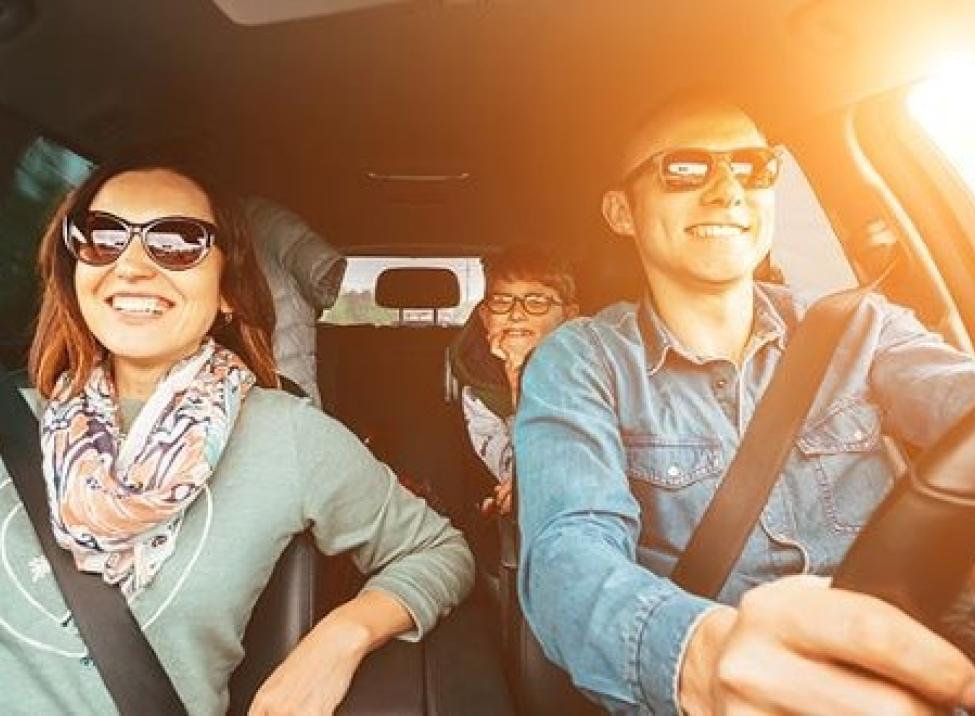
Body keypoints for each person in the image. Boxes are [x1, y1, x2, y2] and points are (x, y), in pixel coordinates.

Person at [514, 93, 975, 714]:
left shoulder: (860, 328)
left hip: (919, 667)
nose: (728, 190)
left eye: (755, 167)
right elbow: (568, 555)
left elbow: (957, 394)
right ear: (622, 211)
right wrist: (703, 658)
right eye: (685, 168)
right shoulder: (583, 361)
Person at [2, 158, 473, 714]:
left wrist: (340, 637)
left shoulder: (286, 434)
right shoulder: (14, 417)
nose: (130, 267)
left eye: (177, 242)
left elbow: (440, 550)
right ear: (73, 267)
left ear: (228, 288)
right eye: (103, 237)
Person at [450, 246, 578, 516]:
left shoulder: (597, 372)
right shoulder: (479, 391)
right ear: (486, 318)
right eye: (501, 301)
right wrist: (516, 376)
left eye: (537, 302)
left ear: (568, 316)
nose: (517, 313)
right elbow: (513, 471)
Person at [243, 196, 346, 407]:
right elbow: (323, 286)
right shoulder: (268, 221)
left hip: (281, 370)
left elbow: (323, 279)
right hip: (285, 370)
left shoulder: (265, 221)